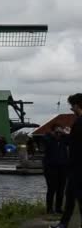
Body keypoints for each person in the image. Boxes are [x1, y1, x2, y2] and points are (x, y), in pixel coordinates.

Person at [52, 93, 82, 228]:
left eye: (71, 106)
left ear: (76, 105)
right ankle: (63, 223)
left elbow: (75, 143)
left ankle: (63, 224)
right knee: (72, 195)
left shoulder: (79, 121)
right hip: (77, 166)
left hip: (78, 166)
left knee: (75, 196)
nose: (71, 109)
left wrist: (65, 135)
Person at [43, 125, 68, 214]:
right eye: (56, 132)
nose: (58, 134)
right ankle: (49, 209)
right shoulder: (48, 138)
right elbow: (46, 141)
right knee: (51, 189)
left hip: (63, 167)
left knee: (61, 189)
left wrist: (64, 133)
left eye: (59, 132)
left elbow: (71, 140)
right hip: (50, 168)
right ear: (52, 131)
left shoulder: (64, 139)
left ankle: (58, 208)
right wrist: (52, 135)